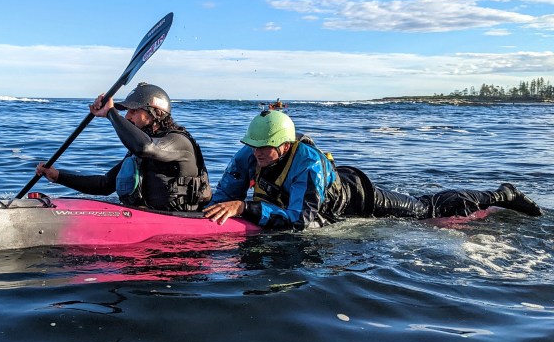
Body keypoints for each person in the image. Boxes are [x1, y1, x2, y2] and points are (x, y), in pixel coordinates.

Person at [203, 110, 542, 229]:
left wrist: (246, 208)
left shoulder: (307, 162)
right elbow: (224, 196)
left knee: (426, 209)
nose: (258, 153)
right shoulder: (249, 154)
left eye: (265, 147)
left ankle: (502, 194)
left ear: (286, 145)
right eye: (254, 146)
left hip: (359, 198)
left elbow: (302, 220)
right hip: (327, 194)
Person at [36, 82, 211, 212]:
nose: (127, 117)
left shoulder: (178, 142)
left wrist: (111, 113)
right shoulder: (140, 149)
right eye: (126, 111)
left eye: (133, 111)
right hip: (146, 217)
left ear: (155, 113)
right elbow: (104, 185)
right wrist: (58, 176)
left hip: (179, 225)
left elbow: (145, 147)